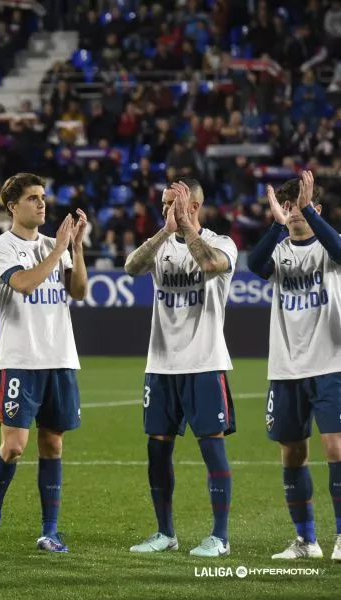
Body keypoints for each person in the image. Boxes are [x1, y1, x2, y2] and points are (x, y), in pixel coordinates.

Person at [0, 173, 88, 553]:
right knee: (15, 446)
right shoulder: (1, 248)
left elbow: (80, 291)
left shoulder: (59, 245)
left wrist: (78, 249)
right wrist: (58, 251)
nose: (42, 204)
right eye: (33, 198)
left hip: (60, 358)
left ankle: (49, 531)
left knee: (52, 445)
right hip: (20, 359)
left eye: (43, 196)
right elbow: (23, 284)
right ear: (12, 207)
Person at [123, 178, 238, 558]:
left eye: (173, 203)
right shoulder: (160, 244)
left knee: (212, 448)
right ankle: (165, 533)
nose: (165, 209)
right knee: (157, 451)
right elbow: (131, 267)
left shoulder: (222, 243)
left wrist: (186, 227)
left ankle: (219, 537)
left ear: (194, 205)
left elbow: (209, 264)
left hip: (205, 362)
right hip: (161, 364)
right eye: (163, 203)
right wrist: (165, 231)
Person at [248, 171, 341, 562]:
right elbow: (254, 264)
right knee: (292, 452)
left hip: (330, 363)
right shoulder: (280, 251)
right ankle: (306, 541)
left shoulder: (328, 250)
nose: (295, 213)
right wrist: (277, 221)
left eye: (301, 206)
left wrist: (308, 213)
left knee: (335, 447)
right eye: (288, 206)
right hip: (285, 367)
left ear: (316, 208)